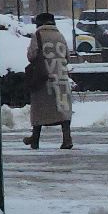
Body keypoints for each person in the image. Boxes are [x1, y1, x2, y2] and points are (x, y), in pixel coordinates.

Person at [24, 12, 74, 149]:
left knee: (39, 108)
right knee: (62, 109)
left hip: (44, 76)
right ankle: (67, 138)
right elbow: (67, 57)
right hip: (61, 77)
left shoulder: (38, 35)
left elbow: (31, 55)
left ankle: (35, 138)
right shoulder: (60, 35)